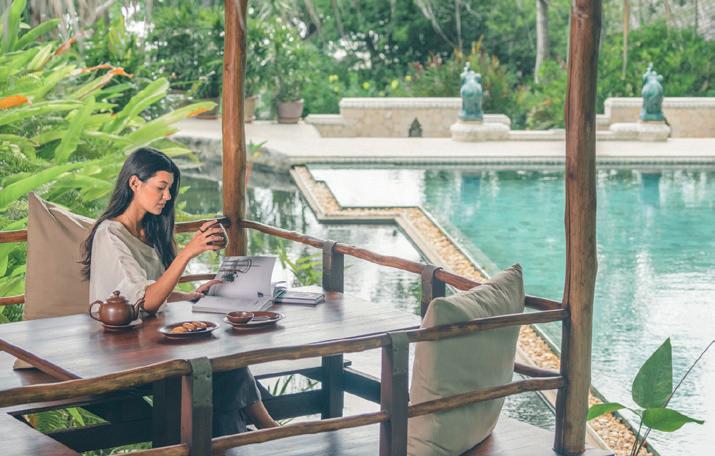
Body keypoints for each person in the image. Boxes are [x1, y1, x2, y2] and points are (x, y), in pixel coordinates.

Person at [80, 147, 278, 435]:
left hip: (153, 338)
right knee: (217, 365)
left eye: (170, 190)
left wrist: (189, 296)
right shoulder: (110, 234)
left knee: (220, 361)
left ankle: (249, 435)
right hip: (123, 348)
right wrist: (188, 252)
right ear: (134, 183)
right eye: (161, 187)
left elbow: (150, 290)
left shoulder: (149, 230)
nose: (167, 196)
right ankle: (265, 429)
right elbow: (145, 302)